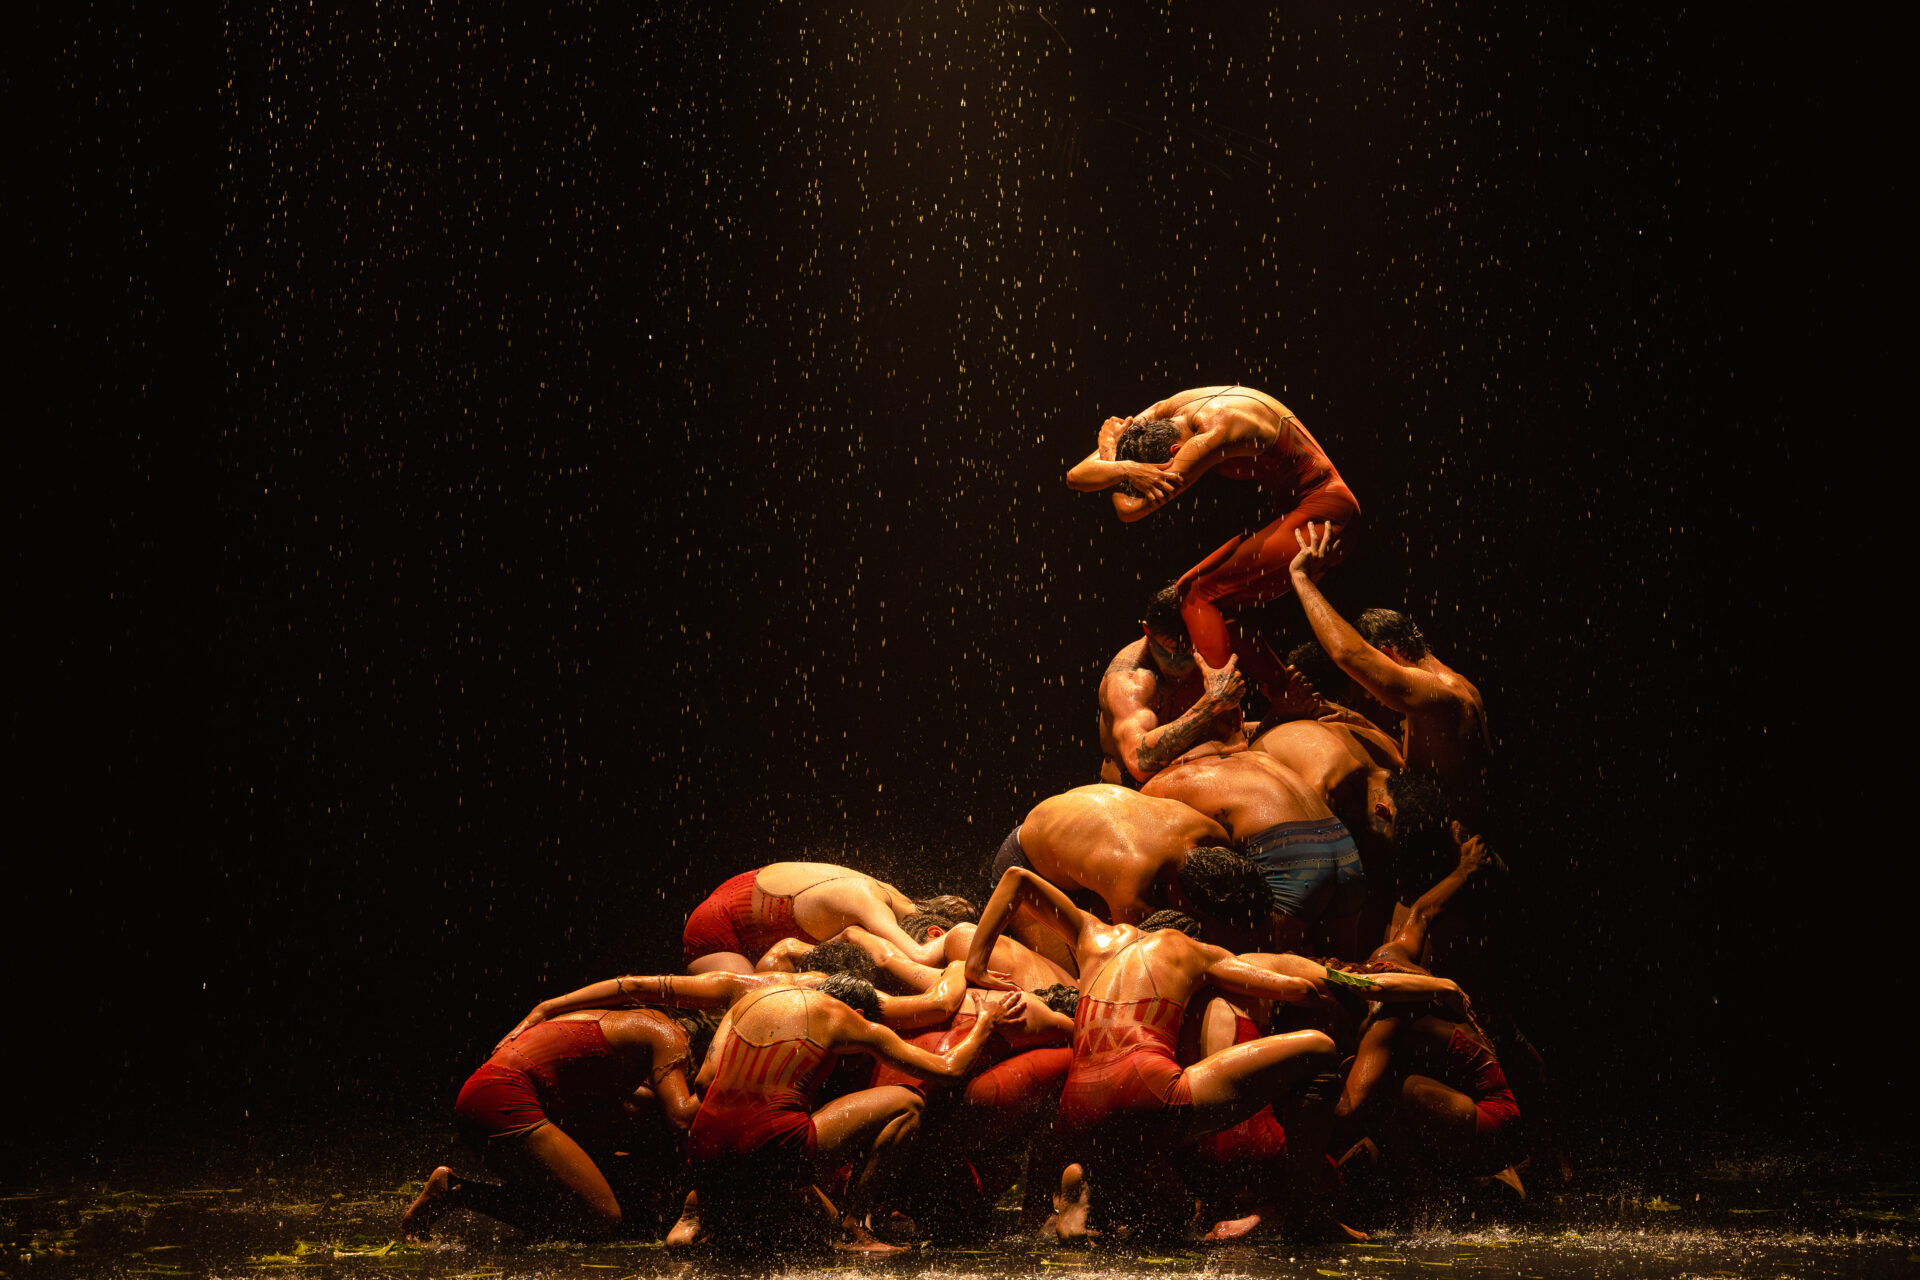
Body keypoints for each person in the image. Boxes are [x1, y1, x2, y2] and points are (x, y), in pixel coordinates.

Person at [966, 866, 1461, 1240]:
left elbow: (1015, 879)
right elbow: (1310, 987)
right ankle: (1303, 1208)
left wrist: (976, 966)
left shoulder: (1092, 936)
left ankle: (1088, 1184)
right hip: (1148, 1091)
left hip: (1077, 1111)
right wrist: (1437, 985)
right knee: (1319, 1049)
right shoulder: (1194, 952)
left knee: (1133, 1146)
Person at [1066, 385, 1360, 695]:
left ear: (1175, 453)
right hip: (1303, 512)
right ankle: (1284, 693)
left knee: (1197, 593)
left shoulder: (1209, 438)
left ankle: (1225, 708)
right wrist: (1124, 465)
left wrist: (1110, 454)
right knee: (1208, 601)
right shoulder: (1165, 411)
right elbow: (1075, 477)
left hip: (1326, 515)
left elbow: (1127, 510)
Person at [402, 1006, 711, 1239]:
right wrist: (718, 1082)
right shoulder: (669, 1035)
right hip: (506, 1097)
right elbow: (680, 1118)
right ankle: (458, 1193)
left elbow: (625, 1111)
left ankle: (458, 1192)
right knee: (601, 1218)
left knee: (578, 1191)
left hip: (482, 1093)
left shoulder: (628, 1025)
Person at [1288, 522, 1493, 828]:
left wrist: (1301, 578)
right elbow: (1428, 765)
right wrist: (1363, 723)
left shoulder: (1438, 691)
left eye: (1368, 685)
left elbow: (1348, 653)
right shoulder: (1454, 687)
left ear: (1386, 655)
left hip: (1455, 842)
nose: (1371, 695)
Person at [1139, 748, 1368, 958]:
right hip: (1343, 845)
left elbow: (1164, 856)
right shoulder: (1254, 757)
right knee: (1347, 975)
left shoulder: (1162, 784)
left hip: (1288, 855)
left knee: (1263, 976)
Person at [998, 784, 1268, 932]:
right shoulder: (1131, 889)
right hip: (1026, 862)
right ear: (1188, 900)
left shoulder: (1212, 834)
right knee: (1073, 979)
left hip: (1078, 842)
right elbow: (1128, 963)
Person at [682, 861, 976, 973]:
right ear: (934, 931)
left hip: (748, 895)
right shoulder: (869, 903)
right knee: (749, 1004)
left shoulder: (897, 899)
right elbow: (920, 957)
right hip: (720, 923)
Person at [1097, 583, 1248, 786]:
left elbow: (1231, 735)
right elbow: (1139, 762)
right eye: (1169, 653)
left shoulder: (1209, 653)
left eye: (1188, 655)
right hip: (1128, 789)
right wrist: (1211, 703)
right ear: (1147, 632)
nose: (1178, 665)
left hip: (1187, 778)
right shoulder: (1129, 680)